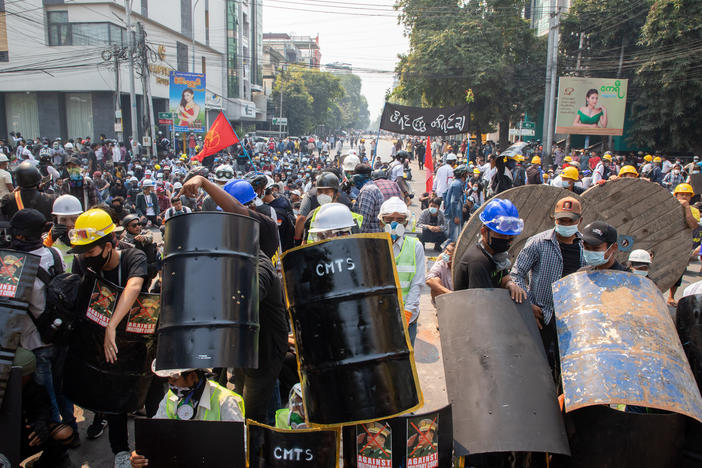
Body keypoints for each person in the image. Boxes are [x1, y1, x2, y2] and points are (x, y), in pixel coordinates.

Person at [69, 208, 149, 468]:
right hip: (104, 339)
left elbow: (134, 287)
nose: (85, 258)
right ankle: (121, 451)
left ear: (108, 246)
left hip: (137, 340)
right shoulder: (83, 262)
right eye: (82, 253)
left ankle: (150, 449)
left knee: (145, 391)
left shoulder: (133, 257)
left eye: (90, 252)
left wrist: (113, 325)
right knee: (112, 394)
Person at [10, 209, 79, 447]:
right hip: (60, 335)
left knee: (47, 394)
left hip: (33, 340)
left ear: (20, 236)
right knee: (64, 389)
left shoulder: (13, 264)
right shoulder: (54, 253)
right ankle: (72, 431)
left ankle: (57, 439)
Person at [510, 197, 584, 371]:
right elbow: (516, 274)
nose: (565, 224)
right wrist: (528, 304)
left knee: (570, 368)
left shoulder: (585, 247)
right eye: (561, 220)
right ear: (554, 219)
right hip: (543, 317)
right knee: (542, 367)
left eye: (570, 221)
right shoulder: (538, 243)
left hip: (574, 318)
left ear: (580, 220)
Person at [129, 364, 245, 468]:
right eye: (168, 379)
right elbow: (154, 437)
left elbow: (240, 450)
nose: (170, 383)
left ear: (192, 376)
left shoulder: (225, 402)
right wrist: (139, 456)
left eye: (174, 379)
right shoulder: (170, 398)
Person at [453, 198, 527, 304]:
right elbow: (484, 304)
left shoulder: (495, 256)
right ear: (484, 232)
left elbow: (503, 276)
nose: (506, 239)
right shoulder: (478, 262)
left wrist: (510, 284)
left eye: (510, 236)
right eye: (501, 235)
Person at [16, 347, 74, 468]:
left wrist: (41, 424)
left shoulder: (33, 387)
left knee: (63, 432)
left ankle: (48, 463)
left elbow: (43, 408)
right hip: (6, 439)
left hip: (27, 435)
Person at [378, 197, 425, 345]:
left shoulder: (415, 246)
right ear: (381, 222)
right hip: (381, 320)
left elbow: (417, 284)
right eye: (389, 219)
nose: (394, 223)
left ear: (406, 222)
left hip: (408, 319)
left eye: (400, 219)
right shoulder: (374, 246)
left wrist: (407, 313)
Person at [667, 183, 700, 305]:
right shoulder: (667, 207)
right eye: (682, 194)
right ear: (676, 195)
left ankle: (671, 296)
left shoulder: (694, 210)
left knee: (677, 273)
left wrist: (686, 208)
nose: (684, 197)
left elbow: (693, 225)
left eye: (687, 195)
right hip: (666, 242)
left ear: (691, 197)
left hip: (681, 245)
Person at [444, 165, 469, 243]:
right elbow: (454, 201)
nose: (467, 176)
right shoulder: (457, 185)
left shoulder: (457, 183)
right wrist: (456, 216)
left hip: (454, 214)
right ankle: (445, 254)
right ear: (463, 174)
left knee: (454, 238)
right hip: (453, 215)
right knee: (453, 239)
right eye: (466, 174)